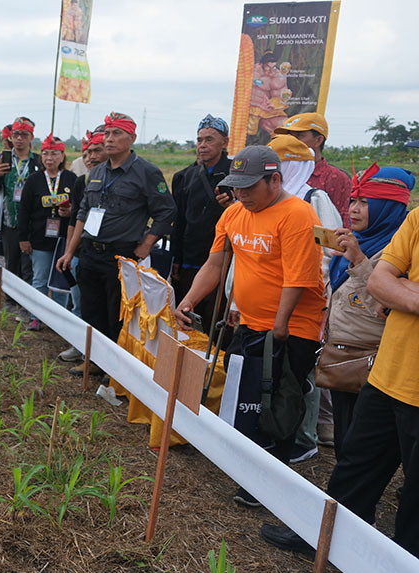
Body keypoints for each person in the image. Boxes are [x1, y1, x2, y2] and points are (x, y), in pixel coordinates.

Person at [260, 171, 418, 573]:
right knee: (354, 467)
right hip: (386, 376)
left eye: (368, 201)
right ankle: (326, 538)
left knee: (415, 492)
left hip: (401, 379)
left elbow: (383, 294)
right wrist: (396, 285)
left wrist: (394, 286)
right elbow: (380, 286)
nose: (354, 208)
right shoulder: (417, 221)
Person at [174, 145, 326, 507]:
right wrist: (190, 299)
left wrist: (280, 325)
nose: (241, 195)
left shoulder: (297, 214)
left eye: (248, 188)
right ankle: (247, 466)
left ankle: (268, 481)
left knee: (278, 403)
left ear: (274, 180)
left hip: (290, 330)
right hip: (250, 324)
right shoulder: (234, 214)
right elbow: (215, 265)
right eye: (236, 187)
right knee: (248, 399)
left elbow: (297, 278)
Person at [319, 165, 414, 454]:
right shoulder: (359, 240)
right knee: (344, 435)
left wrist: (359, 261)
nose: (355, 209)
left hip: (373, 360)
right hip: (343, 354)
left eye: (365, 203)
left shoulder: (398, 251)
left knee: (361, 445)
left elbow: (383, 307)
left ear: (388, 207)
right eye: (353, 201)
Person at [58, 112, 175, 346]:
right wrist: (70, 252)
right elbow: (83, 213)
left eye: (116, 134)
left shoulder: (146, 172)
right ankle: (93, 362)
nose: (108, 139)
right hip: (90, 253)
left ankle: (113, 372)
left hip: (121, 257)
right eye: (107, 134)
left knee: (117, 317)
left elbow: (167, 211)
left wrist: (146, 244)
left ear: (131, 138)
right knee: (92, 313)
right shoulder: (98, 171)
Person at [267, 133, 342, 463]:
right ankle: (278, 428)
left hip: (305, 301)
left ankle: (305, 436)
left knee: (303, 371)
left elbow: (330, 251)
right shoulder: (265, 202)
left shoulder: (315, 199)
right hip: (270, 301)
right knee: (278, 371)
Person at [170, 115, 232, 329]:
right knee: (189, 320)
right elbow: (178, 221)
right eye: (199, 140)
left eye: (209, 140)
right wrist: (176, 257)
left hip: (224, 260)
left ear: (225, 143)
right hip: (190, 257)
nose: (202, 145)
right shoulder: (184, 177)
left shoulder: (237, 175)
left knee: (217, 322)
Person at [18, 134, 76, 331]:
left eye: (54, 153)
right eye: (45, 153)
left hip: (64, 240)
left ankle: (58, 319)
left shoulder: (71, 179)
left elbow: (80, 209)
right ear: (41, 156)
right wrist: (23, 238)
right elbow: (24, 210)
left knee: (61, 281)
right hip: (39, 238)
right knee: (40, 280)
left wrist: (70, 211)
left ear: (62, 156)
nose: (49, 157)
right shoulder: (34, 180)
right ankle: (37, 316)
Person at [62, 125, 106, 368]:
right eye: (87, 153)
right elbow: (75, 219)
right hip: (82, 252)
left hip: (108, 255)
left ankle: (101, 358)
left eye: (96, 152)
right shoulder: (81, 182)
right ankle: (80, 346)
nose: (90, 158)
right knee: (81, 302)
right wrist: (70, 251)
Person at [0, 118, 39, 319]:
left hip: (32, 222)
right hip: (9, 219)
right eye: (16, 135)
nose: (19, 139)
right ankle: (10, 300)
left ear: (31, 138)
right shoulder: (1, 159)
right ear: (10, 137)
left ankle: (27, 305)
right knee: (11, 262)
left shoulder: (38, 161)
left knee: (28, 266)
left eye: (24, 135)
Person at [274, 112, 351, 227]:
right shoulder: (275, 172)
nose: (291, 141)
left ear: (318, 140)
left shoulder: (335, 178)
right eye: (289, 136)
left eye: (299, 136)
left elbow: (337, 225)